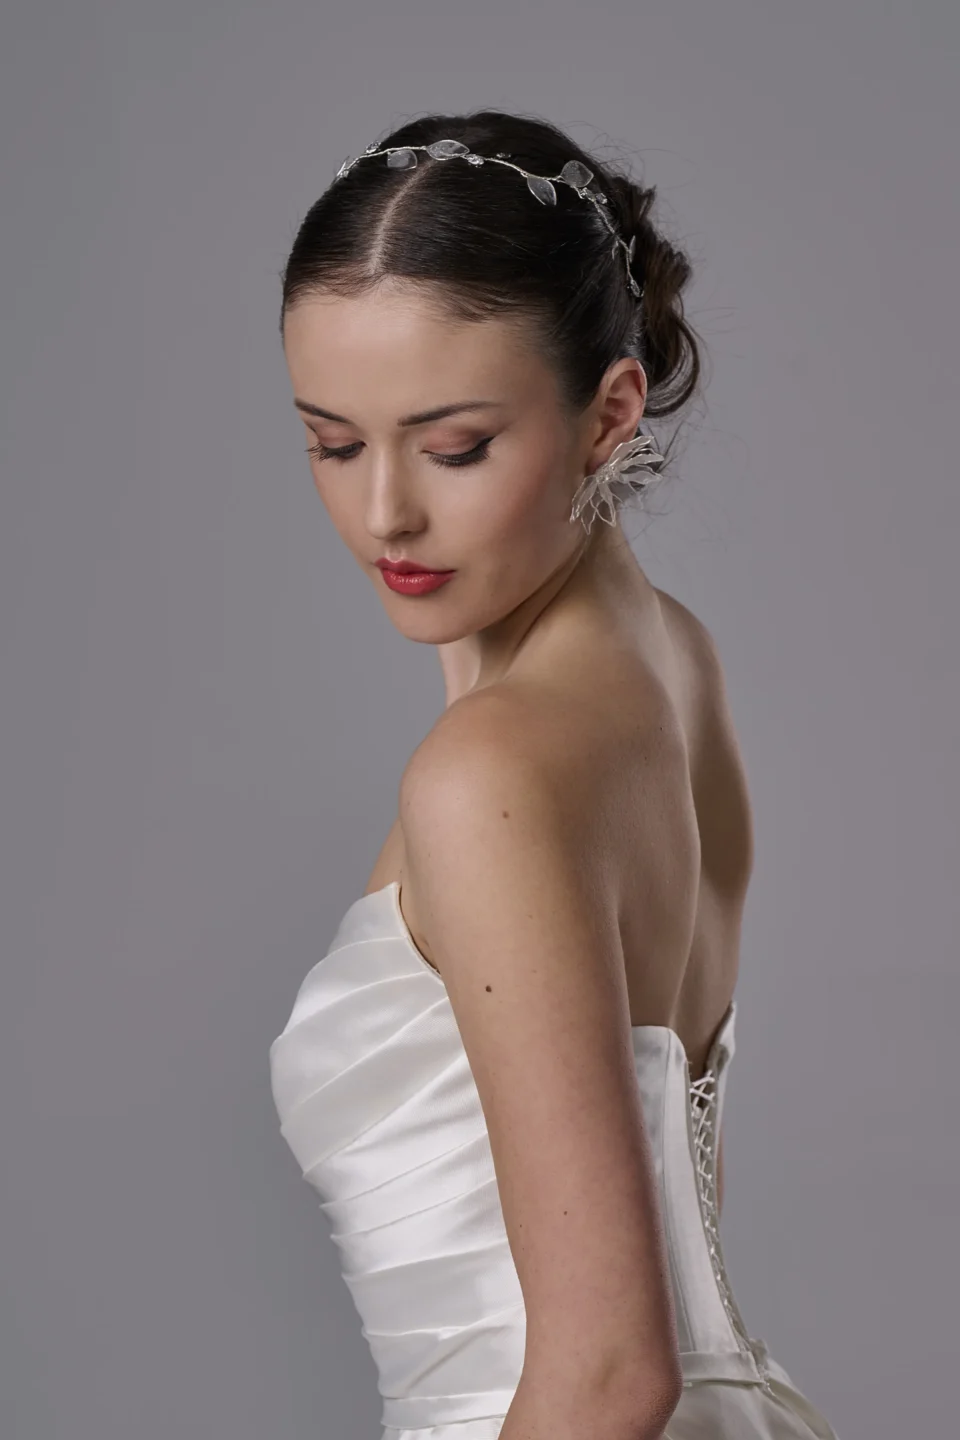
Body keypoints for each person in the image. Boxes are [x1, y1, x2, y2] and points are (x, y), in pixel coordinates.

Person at [269, 109, 841, 1440]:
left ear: (610, 413)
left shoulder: (492, 768)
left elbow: (606, 1372)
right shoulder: (671, 663)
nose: (385, 512)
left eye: (454, 446)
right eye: (334, 443)